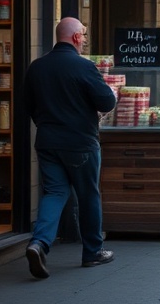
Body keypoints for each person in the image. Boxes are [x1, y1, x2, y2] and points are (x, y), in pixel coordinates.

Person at [22, 17, 118, 279]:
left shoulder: (37, 67)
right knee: (88, 195)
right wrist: (113, 94)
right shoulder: (83, 66)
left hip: (47, 141)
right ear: (76, 37)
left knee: (54, 192)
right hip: (80, 143)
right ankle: (92, 252)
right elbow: (107, 102)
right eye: (84, 35)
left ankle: (39, 243)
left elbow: (28, 105)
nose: (85, 40)